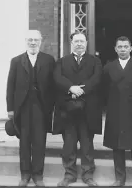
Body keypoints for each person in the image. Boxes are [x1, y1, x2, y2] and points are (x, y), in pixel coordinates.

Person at [6, 30, 55, 186]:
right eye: (30, 40)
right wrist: (10, 109)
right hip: (23, 107)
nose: (33, 42)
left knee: (40, 142)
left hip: (41, 107)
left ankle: (38, 175)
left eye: (36, 40)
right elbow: (10, 86)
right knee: (25, 142)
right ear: (25, 41)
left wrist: (52, 107)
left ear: (41, 41)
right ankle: (25, 174)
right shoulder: (16, 61)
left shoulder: (48, 60)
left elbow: (53, 85)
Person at [53, 32, 103, 187]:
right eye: (76, 41)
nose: (79, 44)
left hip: (88, 110)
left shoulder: (95, 61)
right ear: (71, 43)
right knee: (69, 145)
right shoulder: (62, 62)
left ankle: (88, 175)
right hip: (67, 110)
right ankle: (69, 174)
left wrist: (81, 90)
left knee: (87, 145)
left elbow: (97, 78)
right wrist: (71, 88)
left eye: (82, 41)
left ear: (86, 43)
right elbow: (57, 78)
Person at [102, 36, 132, 187]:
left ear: (131, 48)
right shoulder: (108, 67)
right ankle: (119, 179)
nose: (123, 49)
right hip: (116, 111)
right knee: (117, 147)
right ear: (115, 49)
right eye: (120, 47)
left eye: (125, 46)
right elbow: (103, 90)